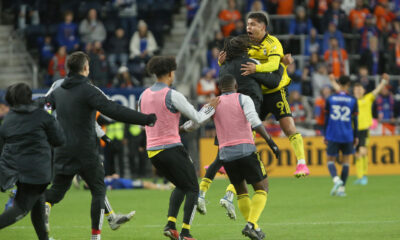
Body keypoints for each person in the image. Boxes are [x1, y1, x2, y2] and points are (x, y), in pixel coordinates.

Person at [43, 51, 157, 240]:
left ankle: (35, 203)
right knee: (98, 191)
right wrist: (144, 119)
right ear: (86, 69)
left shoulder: (57, 92)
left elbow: (46, 107)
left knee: (56, 192)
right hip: (86, 152)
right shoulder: (89, 90)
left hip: (62, 150)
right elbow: (114, 110)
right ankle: (95, 237)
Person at [182, 75, 280, 240]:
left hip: (226, 155)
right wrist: (271, 142)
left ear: (220, 88)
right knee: (262, 189)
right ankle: (251, 225)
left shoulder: (213, 103)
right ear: (236, 86)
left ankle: (254, 227)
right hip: (246, 151)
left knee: (242, 192)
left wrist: (177, 131)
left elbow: (194, 123)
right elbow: (254, 121)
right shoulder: (243, 98)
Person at [197, 35, 284, 219]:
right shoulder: (249, 62)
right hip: (245, 111)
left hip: (225, 114)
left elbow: (226, 82)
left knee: (222, 157)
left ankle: (205, 192)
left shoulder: (224, 68)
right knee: (248, 166)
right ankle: (239, 209)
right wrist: (281, 65)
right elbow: (273, 81)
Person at [139, 56, 219, 240]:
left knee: (181, 185)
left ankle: (170, 225)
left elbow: (143, 124)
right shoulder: (172, 95)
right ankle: (186, 233)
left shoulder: (143, 95)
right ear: (169, 73)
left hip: (153, 151)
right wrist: (210, 108)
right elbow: (198, 119)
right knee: (193, 187)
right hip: (171, 149)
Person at [221, 12, 309, 178]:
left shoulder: (273, 42)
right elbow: (233, 61)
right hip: (257, 93)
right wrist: (222, 61)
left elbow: (274, 64)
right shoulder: (245, 44)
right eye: (248, 24)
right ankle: (230, 163)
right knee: (248, 129)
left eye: (253, 24)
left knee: (288, 126)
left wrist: (256, 68)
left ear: (263, 27)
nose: (249, 28)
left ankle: (301, 163)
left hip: (276, 90)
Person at [45, 78, 137, 232]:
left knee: (94, 185)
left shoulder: (61, 87)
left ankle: (112, 217)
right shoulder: (75, 90)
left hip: (64, 143)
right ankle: (31, 199)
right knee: (90, 184)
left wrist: (103, 136)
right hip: (76, 146)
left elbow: (88, 119)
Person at [0, 83, 65, 240]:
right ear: (29, 97)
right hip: (38, 171)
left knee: (38, 203)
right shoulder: (42, 116)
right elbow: (59, 140)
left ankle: (44, 238)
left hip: (16, 170)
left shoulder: (7, 120)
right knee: (22, 207)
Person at [340, 74, 388, 185]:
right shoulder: (351, 100)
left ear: (363, 90)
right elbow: (340, 90)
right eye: (356, 89)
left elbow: (377, 90)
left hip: (364, 130)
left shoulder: (367, 98)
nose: (357, 91)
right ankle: (360, 176)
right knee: (357, 154)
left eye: (359, 89)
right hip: (353, 130)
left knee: (362, 152)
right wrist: (332, 81)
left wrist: (384, 82)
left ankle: (364, 176)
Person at [324, 76, 358, 197]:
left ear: (338, 83)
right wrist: (356, 136)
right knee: (346, 162)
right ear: (348, 84)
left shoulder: (330, 99)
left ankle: (336, 180)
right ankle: (342, 189)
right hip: (348, 134)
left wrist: (325, 134)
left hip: (333, 133)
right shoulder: (353, 99)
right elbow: (355, 120)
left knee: (330, 161)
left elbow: (326, 118)